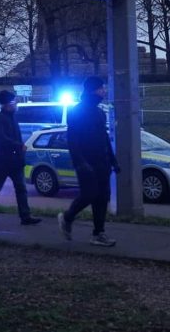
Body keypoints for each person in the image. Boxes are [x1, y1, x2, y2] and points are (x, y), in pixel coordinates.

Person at [58, 76, 120, 247]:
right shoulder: (77, 111)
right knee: (89, 194)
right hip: (86, 163)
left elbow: (104, 138)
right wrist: (80, 162)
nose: (104, 91)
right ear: (93, 90)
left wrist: (113, 161)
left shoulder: (99, 112)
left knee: (102, 198)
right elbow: (72, 140)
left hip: (102, 162)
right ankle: (67, 217)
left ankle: (98, 233)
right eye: (101, 88)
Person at [0, 90, 41, 225]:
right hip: (2, 160)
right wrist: (19, 146)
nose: (16, 105)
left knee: (21, 188)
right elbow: (1, 138)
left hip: (15, 160)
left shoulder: (12, 117)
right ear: (7, 104)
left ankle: (25, 216)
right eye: (14, 102)